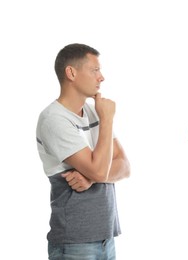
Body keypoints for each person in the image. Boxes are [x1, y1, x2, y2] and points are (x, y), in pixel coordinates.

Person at [36, 43, 131, 260]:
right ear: (71, 73)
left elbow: (125, 166)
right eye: (94, 70)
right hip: (75, 243)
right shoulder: (54, 119)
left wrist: (92, 178)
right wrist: (106, 120)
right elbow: (100, 170)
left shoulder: (92, 111)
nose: (101, 77)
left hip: (106, 237)